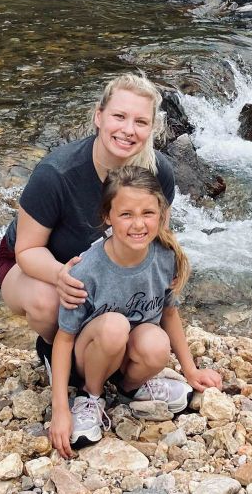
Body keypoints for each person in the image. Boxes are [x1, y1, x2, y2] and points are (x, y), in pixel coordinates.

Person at [0, 73, 177, 394]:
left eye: (140, 121)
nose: (127, 130)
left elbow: (156, 245)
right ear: (98, 116)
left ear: (152, 128)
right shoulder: (56, 174)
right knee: (49, 302)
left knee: (148, 341)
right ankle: (59, 357)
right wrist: (61, 275)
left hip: (105, 270)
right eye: (119, 116)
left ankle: (116, 375)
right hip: (36, 263)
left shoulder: (158, 172)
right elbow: (26, 250)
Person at [48, 166, 222, 455]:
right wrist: (60, 411)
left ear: (161, 215)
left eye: (147, 213)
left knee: (157, 344)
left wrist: (191, 371)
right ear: (108, 216)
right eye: (126, 214)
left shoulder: (165, 257)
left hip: (126, 355)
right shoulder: (87, 270)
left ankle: (131, 388)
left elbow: (168, 314)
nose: (138, 224)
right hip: (89, 357)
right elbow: (64, 340)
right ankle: (90, 396)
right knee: (115, 326)